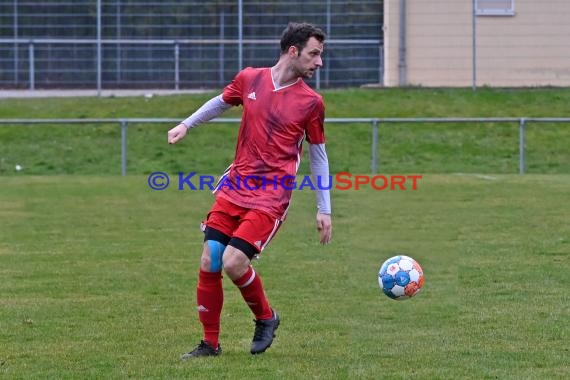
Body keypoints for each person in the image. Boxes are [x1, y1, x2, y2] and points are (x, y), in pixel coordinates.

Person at [167, 22, 333, 358]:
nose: (319, 62)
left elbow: (319, 155)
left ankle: (266, 317)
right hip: (235, 187)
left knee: (232, 262)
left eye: (320, 55)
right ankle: (210, 345)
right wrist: (186, 124)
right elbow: (220, 102)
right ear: (293, 51)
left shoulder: (311, 102)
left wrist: (324, 207)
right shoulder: (250, 79)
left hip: (271, 197)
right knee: (210, 259)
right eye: (314, 54)